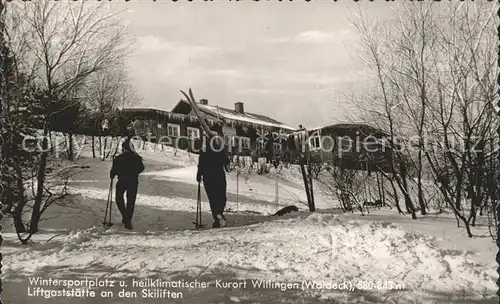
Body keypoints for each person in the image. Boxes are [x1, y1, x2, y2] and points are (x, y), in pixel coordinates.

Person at [196, 134, 230, 228]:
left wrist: (198, 176)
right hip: (219, 177)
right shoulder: (219, 152)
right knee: (221, 197)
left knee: (213, 198)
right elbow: (227, 161)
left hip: (208, 178)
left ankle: (217, 218)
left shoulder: (204, 153)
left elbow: (200, 165)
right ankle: (219, 214)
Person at [110, 140, 145, 229]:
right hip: (133, 182)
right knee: (131, 201)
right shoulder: (137, 158)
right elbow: (141, 168)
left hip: (122, 181)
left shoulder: (118, 158)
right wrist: (134, 172)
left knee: (119, 198)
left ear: (124, 148)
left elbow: (112, 173)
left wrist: (114, 173)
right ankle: (127, 220)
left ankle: (125, 216)